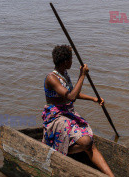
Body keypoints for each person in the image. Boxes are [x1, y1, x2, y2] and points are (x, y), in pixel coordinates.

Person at [42, 45, 114, 177]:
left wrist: (94, 98)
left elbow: (73, 93)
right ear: (65, 62)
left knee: (89, 143)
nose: (72, 62)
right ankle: (60, 148)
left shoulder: (64, 74)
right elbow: (70, 96)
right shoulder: (51, 78)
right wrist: (82, 76)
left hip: (68, 113)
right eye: (70, 59)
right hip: (56, 116)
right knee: (86, 142)